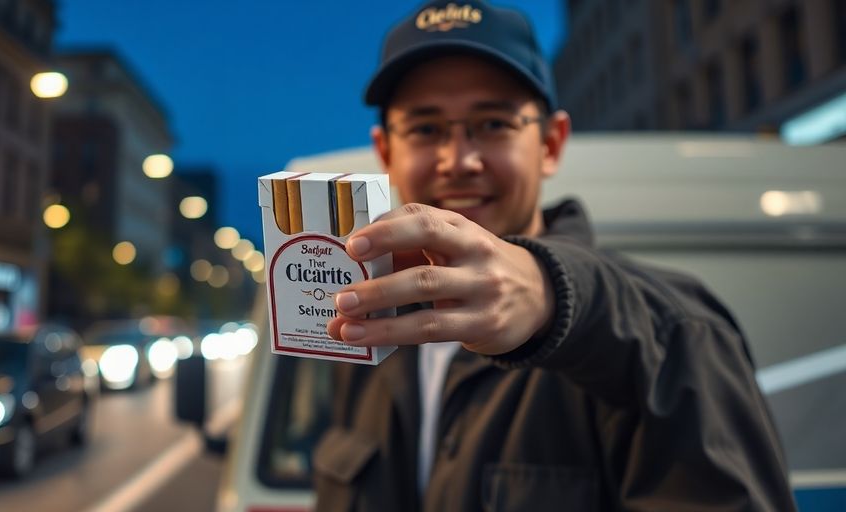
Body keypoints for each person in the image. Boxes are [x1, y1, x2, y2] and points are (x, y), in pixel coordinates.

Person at [311, 1, 796, 510]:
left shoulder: (669, 335)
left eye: (494, 123)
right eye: (426, 129)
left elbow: (643, 320)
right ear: (386, 151)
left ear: (550, 143)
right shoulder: (366, 326)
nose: (459, 161)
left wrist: (549, 294)